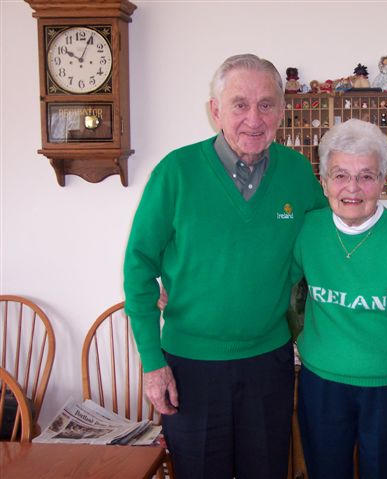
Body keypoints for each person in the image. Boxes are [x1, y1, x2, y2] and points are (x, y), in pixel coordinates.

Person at [123, 53, 326, 479]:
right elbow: (139, 265)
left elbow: (324, 247)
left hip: (269, 364)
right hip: (189, 367)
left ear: (282, 112)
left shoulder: (297, 174)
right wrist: (151, 361)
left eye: (266, 104)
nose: (254, 118)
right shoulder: (175, 173)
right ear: (215, 110)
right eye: (239, 104)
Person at [291, 119, 387, 479]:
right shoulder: (308, 231)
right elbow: (269, 283)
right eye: (340, 174)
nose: (352, 188)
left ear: (382, 180)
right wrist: (185, 288)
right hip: (323, 387)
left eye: (366, 176)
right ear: (324, 180)